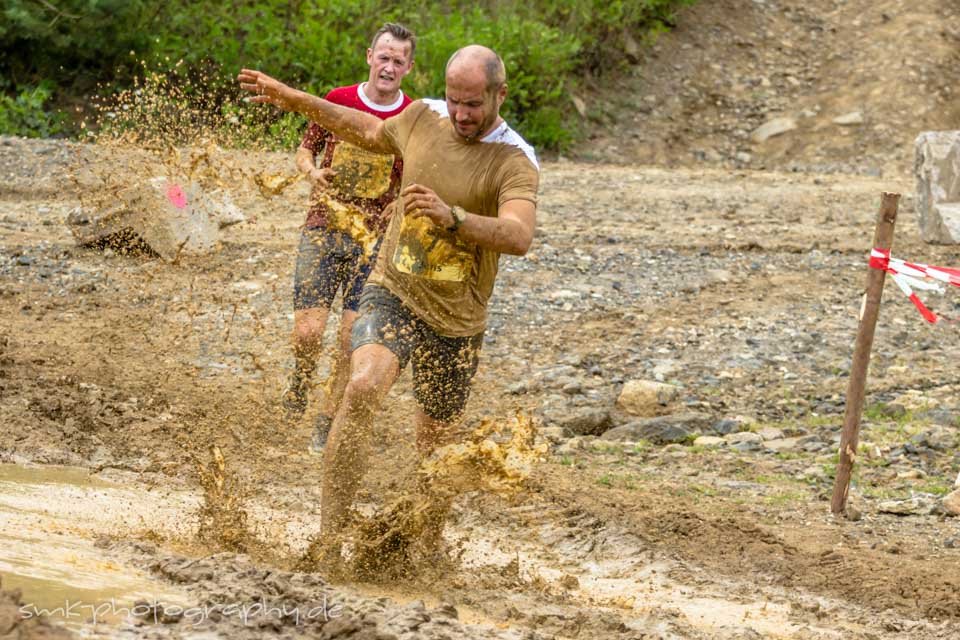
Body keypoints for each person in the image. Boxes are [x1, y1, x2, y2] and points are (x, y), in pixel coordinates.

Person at [239, 44, 539, 552]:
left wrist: (455, 219)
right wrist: (293, 98)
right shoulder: (423, 117)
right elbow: (362, 128)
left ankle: (422, 549)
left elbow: (519, 235)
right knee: (362, 387)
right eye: (455, 100)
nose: (462, 115)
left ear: (499, 95)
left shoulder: (515, 159)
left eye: (474, 105)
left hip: (457, 321)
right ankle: (328, 541)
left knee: (435, 448)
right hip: (393, 292)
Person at [282, 23, 416, 456]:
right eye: (384, 57)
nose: (389, 66)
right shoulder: (338, 100)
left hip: (374, 241)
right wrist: (312, 172)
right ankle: (300, 382)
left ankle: (325, 420)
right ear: (369, 57)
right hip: (324, 226)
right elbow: (306, 149)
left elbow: (423, 167)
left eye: (398, 60)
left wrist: (404, 199)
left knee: (347, 339)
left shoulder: (412, 115)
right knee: (308, 332)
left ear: (408, 67)